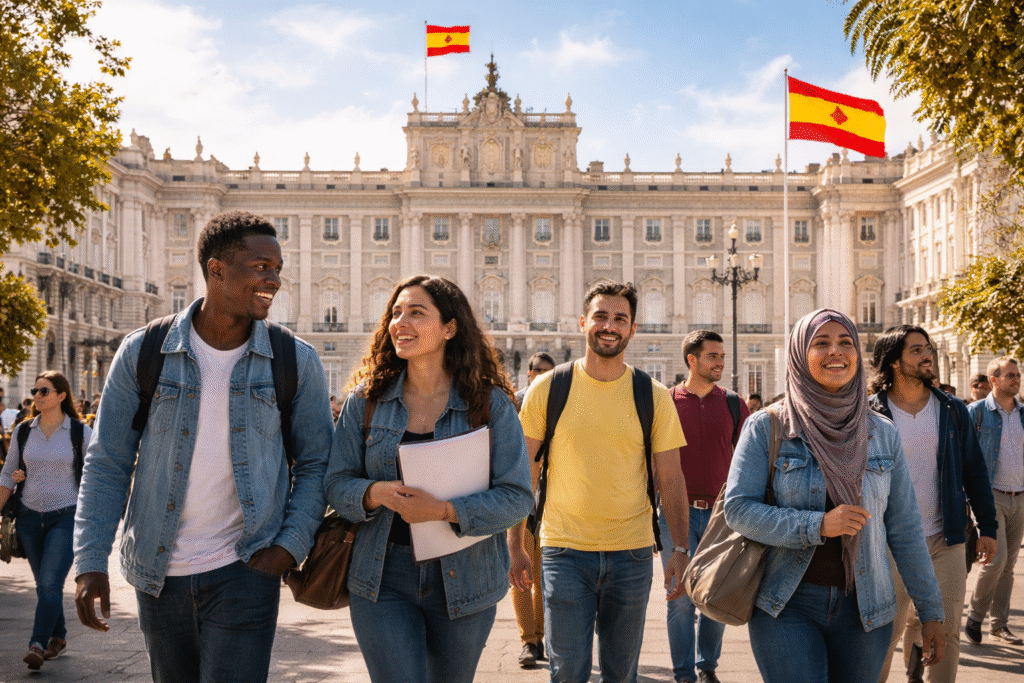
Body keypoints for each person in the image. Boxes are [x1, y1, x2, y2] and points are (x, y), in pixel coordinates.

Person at [73, 211, 334, 683]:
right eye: (261, 267)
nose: (274, 281)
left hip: (246, 568)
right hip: (158, 570)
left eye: (277, 269)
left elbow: (317, 464)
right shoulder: (143, 351)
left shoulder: (296, 359)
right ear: (217, 270)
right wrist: (91, 560)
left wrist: (286, 549)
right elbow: (107, 463)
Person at [324, 274, 533, 683]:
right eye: (396, 313)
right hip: (382, 577)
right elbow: (335, 484)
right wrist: (373, 493)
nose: (401, 322)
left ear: (450, 328)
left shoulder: (489, 405)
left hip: (466, 577)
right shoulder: (365, 401)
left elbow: (517, 496)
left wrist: (444, 510)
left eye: (416, 313)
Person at [724, 309, 946, 683]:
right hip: (787, 604)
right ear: (799, 353)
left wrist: (930, 611)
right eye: (821, 343)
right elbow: (738, 510)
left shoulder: (883, 433)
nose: (836, 352)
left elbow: (906, 529)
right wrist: (817, 525)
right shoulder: (768, 426)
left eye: (846, 343)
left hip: (866, 607)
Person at [514, 281, 690, 683]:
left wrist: (679, 548)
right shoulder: (548, 388)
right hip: (563, 551)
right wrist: (515, 546)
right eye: (601, 316)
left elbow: (672, 477)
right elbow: (524, 473)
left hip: (632, 553)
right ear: (582, 323)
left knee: (620, 672)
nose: (609, 326)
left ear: (632, 329)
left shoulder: (653, 395)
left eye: (620, 319)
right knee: (568, 671)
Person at [868, 325, 997, 683]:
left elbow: (974, 471)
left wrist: (987, 526)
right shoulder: (870, 413)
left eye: (928, 348)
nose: (927, 355)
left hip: (946, 538)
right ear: (894, 362)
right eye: (915, 350)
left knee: (946, 630)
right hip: (887, 543)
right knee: (882, 635)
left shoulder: (952, 410)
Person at [663, 330, 749, 683]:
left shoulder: (733, 403)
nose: (720, 363)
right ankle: (683, 672)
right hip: (673, 513)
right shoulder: (665, 402)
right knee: (679, 597)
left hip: (721, 517)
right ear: (691, 360)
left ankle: (707, 666)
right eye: (713, 356)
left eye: (722, 356)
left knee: (714, 594)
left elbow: (748, 458)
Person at [0, 372, 91, 670]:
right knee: (44, 585)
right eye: (35, 390)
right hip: (28, 517)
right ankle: (59, 637)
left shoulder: (80, 432)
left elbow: (96, 475)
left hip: (65, 517)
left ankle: (37, 645)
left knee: (51, 583)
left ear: (61, 395)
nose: (37, 396)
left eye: (44, 390)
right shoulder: (24, 431)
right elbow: (7, 472)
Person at [964, 356, 1024, 646]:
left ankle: (999, 625)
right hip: (989, 497)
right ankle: (975, 617)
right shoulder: (975, 413)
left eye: (1018, 375)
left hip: (1020, 497)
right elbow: (962, 458)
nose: (1016, 379)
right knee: (995, 560)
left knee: (1009, 565)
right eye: (1010, 375)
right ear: (994, 381)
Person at [510, 351, 555, 668]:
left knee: (544, 576)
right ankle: (529, 640)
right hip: (520, 499)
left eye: (548, 372)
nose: (542, 375)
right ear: (528, 373)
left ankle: (542, 637)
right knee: (521, 573)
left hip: (553, 500)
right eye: (537, 370)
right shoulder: (514, 404)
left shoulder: (564, 405)